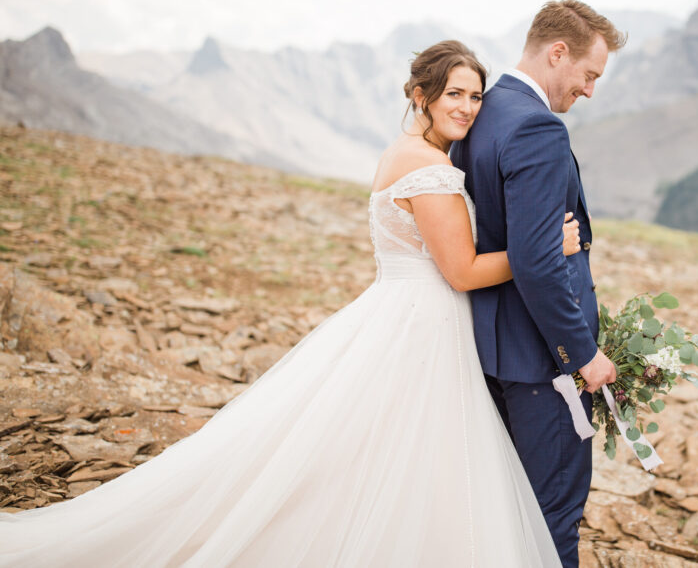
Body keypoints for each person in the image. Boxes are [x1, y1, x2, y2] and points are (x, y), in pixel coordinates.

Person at [0, 40, 580, 567]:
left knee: (374, 456)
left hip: (399, 313)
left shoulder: (405, 153)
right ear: (420, 95)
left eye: (476, 96)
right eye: (454, 94)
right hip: (423, 328)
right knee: (415, 456)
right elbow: (461, 272)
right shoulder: (429, 169)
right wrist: (541, 249)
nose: (469, 107)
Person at [450, 0, 627, 568]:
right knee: (552, 513)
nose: (590, 91)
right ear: (557, 53)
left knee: (506, 506)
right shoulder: (537, 127)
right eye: (588, 75)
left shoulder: (486, 111)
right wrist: (582, 353)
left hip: (494, 349)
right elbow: (538, 261)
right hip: (540, 363)